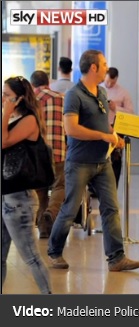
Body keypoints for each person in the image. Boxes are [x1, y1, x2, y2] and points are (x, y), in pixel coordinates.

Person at [47, 49, 139, 272]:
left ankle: (116, 258)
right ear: (93, 68)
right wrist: (103, 136)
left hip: (103, 162)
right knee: (70, 209)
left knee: (111, 208)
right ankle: (54, 252)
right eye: (104, 64)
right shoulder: (74, 95)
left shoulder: (100, 93)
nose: (107, 68)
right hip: (79, 162)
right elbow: (71, 129)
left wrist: (113, 135)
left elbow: (102, 125)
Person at [2, 76, 52, 294]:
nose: (2, 98)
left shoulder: (29, 119)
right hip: (6, 196)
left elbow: (3, 141)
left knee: (30, 256)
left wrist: (5, 113)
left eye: (6, 95)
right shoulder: (14, 117)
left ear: (19, 98)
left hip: (19, 199)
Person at [29, 70, 67, 239]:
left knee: (41, 190)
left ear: (32, 85)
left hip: (37, 154)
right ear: (48, 83)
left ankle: (43, 228)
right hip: (58, 151)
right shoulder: (61, 98)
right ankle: (51, 213)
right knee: (60, 186)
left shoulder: (30, 100)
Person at [102, 67, 134, 187]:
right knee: (100, 155)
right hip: (101, 126)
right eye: (108, 81)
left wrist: (116, 108)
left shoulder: (123, 92)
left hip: (117, 127)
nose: (109, 84)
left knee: (116, 158)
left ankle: (114, 185)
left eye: (112, 82)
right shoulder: (98, 89)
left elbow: (130, 112)